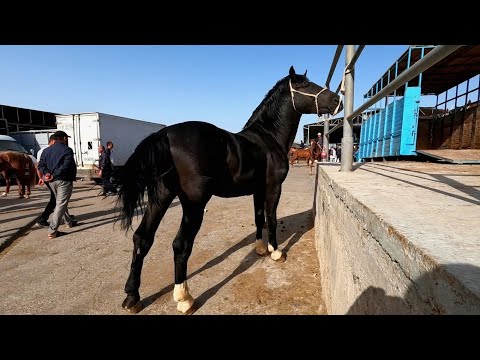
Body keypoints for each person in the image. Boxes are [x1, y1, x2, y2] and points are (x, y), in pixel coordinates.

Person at [37, 130, 77, 239]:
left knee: (61, 202)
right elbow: (66, 166)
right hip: (63, 180)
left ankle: (69, 222)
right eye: (66, 138)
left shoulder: (46, 151)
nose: (67, 140)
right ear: (63, 138)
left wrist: (47, 173)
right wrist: (54, 174)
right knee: (61, 204)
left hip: (51, 181)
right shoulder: (67, 150)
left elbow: (40, 165)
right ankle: (52, 231)